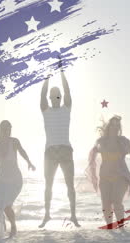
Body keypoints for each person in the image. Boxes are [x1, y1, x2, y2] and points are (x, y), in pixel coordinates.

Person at [39, 57, 80, 228]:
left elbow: (68, 89)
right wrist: (48, 75)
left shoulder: (66, 108)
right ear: (50, 97)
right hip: (50, 152)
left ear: (60, 97)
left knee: (70, 185)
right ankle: (47, 215)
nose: (55, 97)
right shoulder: (46, 110)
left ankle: (73, 216)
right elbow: (42, 94)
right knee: (48, 185)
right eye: (52, 96)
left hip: (65, 150)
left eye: (58, 95)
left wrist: (61, 71)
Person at [86, 115, 130, 227]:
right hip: (105, 177)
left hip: (121, 176)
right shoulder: (101, 141)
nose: (115, 128)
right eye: (112, 125)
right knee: (106, 205)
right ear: (108, 127)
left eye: (117, 126)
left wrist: (127, 147)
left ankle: (121, 227)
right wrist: (95, 150)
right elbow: (94, 150)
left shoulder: (123, 140)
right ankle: (109, 227)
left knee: (117, 202)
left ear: (119, 128)